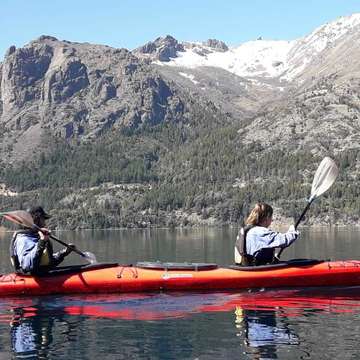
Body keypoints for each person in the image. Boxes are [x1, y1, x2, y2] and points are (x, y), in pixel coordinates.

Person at [11, 206, 74, 274]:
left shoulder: (35, 237)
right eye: (43, 220)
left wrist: (64, 253)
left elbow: (48, 261)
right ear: (36, 220)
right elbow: (27, 266)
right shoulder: (23, 240)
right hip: (31, 279)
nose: (44, 223)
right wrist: (42, 242)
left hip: (44, 275)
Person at [235, 202, 299, 266]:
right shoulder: (260, 232)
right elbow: (284, 240)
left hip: (249, 266)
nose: (272, 219)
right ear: (267, 217)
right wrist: (292, 232)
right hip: (258, 270)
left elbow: (256, 252)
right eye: (271, 217)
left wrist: (272, 258)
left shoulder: (250, 231)